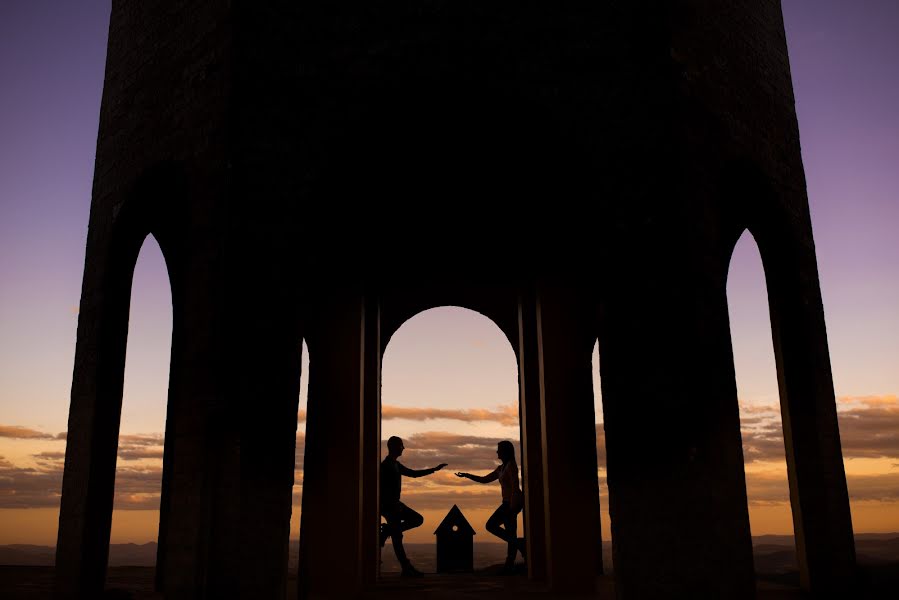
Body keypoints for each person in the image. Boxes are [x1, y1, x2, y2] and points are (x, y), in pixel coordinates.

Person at [380, 436, 447, 577]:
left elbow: (413, 474)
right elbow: (381, 490)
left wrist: (434, 470)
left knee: (417, 519)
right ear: (395, 447)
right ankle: (406, 568)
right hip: (390, 506)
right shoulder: (385, 466)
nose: (403, 448)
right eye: (401, 445)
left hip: (396, 504)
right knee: (397, 537)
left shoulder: (396, 465)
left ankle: (389, 530)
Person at [455, 440, 525, 573]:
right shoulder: (501, 468)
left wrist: (513, 505)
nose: (497, 452)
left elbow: (516, 487)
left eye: (499, 449)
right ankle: (512, 559)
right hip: (506, 502)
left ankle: (516, 549)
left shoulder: (511, 466)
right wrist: (467, 475)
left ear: (505, 451)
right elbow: (484, 479)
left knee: (491, 526)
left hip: (510, 503)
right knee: (510, 533)